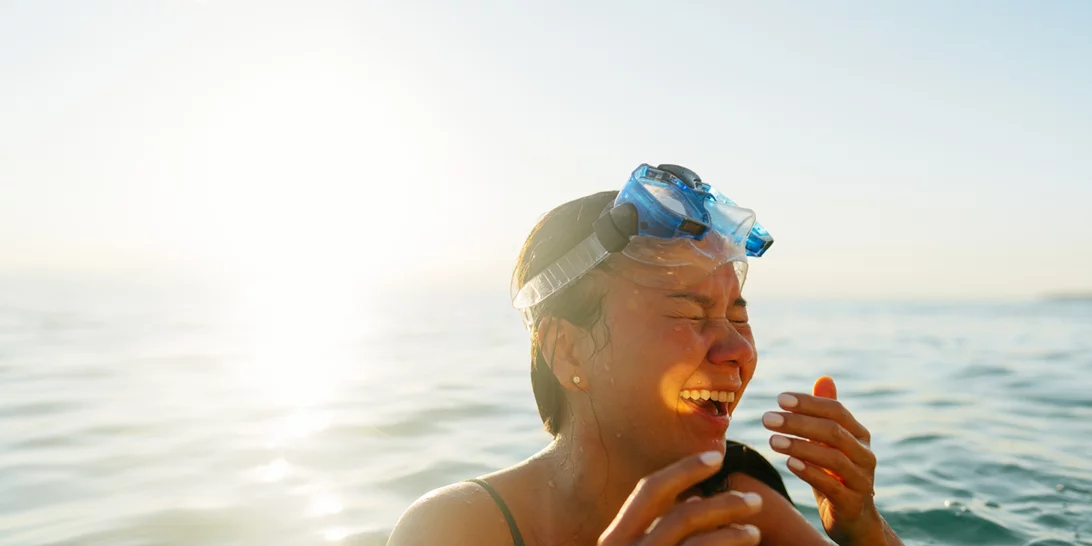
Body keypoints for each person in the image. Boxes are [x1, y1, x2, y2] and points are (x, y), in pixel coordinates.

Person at [388, 164, 903, 545]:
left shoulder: (737, 504)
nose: (737, 350)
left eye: (739, 316)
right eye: (689, 312)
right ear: (567, 351)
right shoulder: (458, 529)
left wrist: (865, 530)